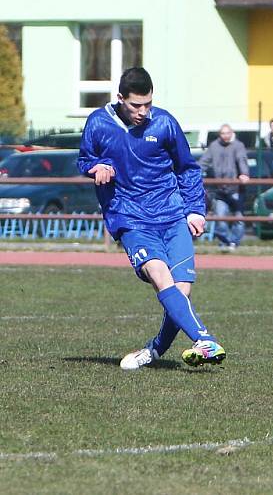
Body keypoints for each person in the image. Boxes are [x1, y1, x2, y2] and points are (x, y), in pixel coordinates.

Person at [78, 67, 226, 370]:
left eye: (148, 104)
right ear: (120, 99)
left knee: (181, 291)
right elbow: (85, 159)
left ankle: (155, 350)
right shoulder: (98, 123)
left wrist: (195, 209)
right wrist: (97, 167)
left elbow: (187, 168)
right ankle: (204, 339)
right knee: (160, 275)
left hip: (171, 216)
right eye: (135, 105)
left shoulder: (165, 122)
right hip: (130, 217)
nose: (143, 112)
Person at [198, 124, 250, 251]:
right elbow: (204, 161)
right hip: (220, 189)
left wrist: (244, 174)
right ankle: (226, 242)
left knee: (239, 218)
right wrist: (193, 172)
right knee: (220, 217)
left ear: (232, 133)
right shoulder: (214, 146)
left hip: (236, 188)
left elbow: (241, 160)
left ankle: (234, 242)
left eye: (227, 133)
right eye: (222, 133)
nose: (225, 136)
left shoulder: (238, 146)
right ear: (219, 134)